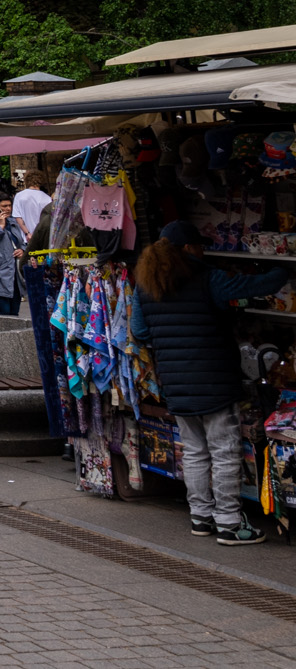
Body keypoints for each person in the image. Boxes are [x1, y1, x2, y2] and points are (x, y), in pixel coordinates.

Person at [134, 220, 291, 546]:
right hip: (214, 381)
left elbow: (140, 331)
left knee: (193, 451)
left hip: (176, 384)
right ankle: (230, 524)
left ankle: (201, 517)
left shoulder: (146, 286)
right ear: (188, 248)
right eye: (199, 246)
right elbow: (256, 285)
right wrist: (283, 268)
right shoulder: (208, 279)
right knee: (224, 452)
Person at [11, 170, 50, 240]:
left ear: (26, 181)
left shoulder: (19, 196)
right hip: (42, 237)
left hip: (25, 238)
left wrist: (27, 233)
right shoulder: (47, 198)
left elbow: (18, 217)